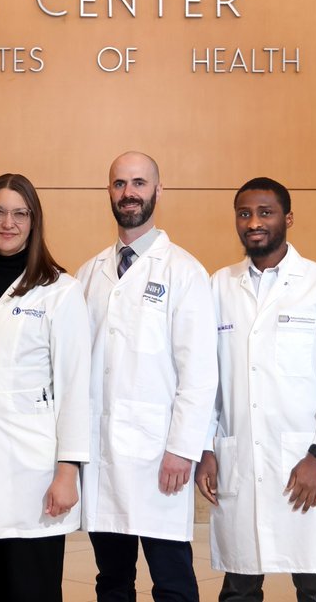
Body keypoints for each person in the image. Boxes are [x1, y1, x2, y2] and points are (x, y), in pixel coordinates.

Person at [197, 177, 316, 602]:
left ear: (288, 218)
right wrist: (206, 449)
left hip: (302, 461)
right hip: (240, 462)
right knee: (239, 586)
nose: (254, 222)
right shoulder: (218, 286)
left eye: (265, 212)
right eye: (245, 213)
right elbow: (205, 378)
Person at [76, 151, 219, 602]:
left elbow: (199, 371)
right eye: (120, 184)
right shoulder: (89, 273)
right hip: (103, 456)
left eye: (139, 183)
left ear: (158, 190)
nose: (129, 193)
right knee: (111, 580)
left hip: (162, 457)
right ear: (109, 193)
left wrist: (183, 448)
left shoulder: (184, 271)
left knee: (173, 581)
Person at [0, 173, 91, 602]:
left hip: (35, 472)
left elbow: (75, 385)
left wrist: (68, 470)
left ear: (33, 221)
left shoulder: (60, 292)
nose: (8, 222)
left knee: (33, 590)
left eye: (20, 213)